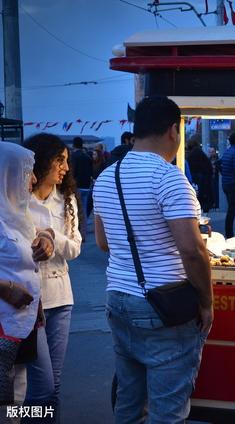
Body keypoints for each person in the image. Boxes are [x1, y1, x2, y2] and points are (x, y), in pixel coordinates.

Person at [92, 96, 212, 422]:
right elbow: (192, 250)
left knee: (129, 405)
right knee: (167, 411)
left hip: (117, 298)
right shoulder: (169, 177)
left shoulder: (107, 176)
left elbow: (103, 243)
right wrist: (206, 301)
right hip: (163, 306)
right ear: (174, 130)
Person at [22, 134, 82, 422]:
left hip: (61, 298)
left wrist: (51, 236)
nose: (65, 168)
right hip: (27, 301)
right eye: (60, 160)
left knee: (53, 386)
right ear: (42, 161)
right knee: (41, 387)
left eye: (67, 161)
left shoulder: (66, 199)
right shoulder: (16, 198)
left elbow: (75, 247)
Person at [0, 142, 54, 417]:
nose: (33, 179)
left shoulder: (17, 212)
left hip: (27, 320)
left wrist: (46, 240)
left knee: (23, 395)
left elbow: (42, 231)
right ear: (6, 173)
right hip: (5, 322)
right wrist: (6, 289)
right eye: (27, 173)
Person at [186, 140, 214, 214]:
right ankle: (204, 213)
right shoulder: (201, 154)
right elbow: (209, 167)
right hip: (204, 180)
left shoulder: (189, 156)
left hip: (194, 180)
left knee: (196, 198)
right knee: (204, 198)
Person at [69, 137, 92, 219]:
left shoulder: (73, 156)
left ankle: (77, 230)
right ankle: (84, 231)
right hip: (86, 186)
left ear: (73, 145)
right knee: (84, 211)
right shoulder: (87, 156)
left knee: (75, 210)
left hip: (77, 186)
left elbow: (72, 171)